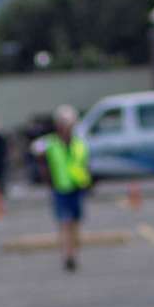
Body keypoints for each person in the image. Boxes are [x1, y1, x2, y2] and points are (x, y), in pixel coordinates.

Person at [44, 106, 91, 272]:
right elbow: (45, 165)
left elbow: (84, 165)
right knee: (65, 223)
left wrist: (87, 183)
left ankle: (74, 254)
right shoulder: (51, 144)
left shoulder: (79, 144)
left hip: (77, 187)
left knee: (76, 224)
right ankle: (67, 255)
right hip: (60, 188)